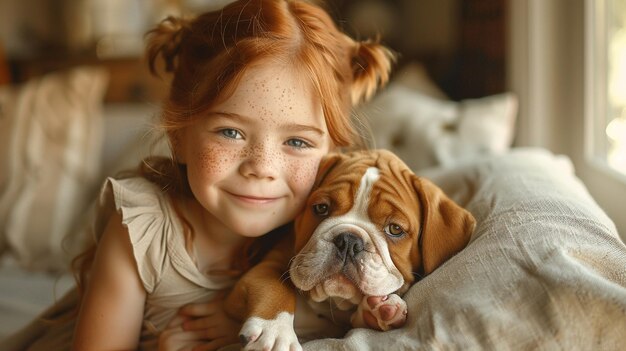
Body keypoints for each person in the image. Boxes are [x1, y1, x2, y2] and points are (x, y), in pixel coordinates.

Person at [0, 0, 394, 350]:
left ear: (333, 155)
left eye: (297, 142)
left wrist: (242, 318)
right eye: (231, 132)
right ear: (179, 137)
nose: (261, 167)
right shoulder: (142, 230)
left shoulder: (323, 234)